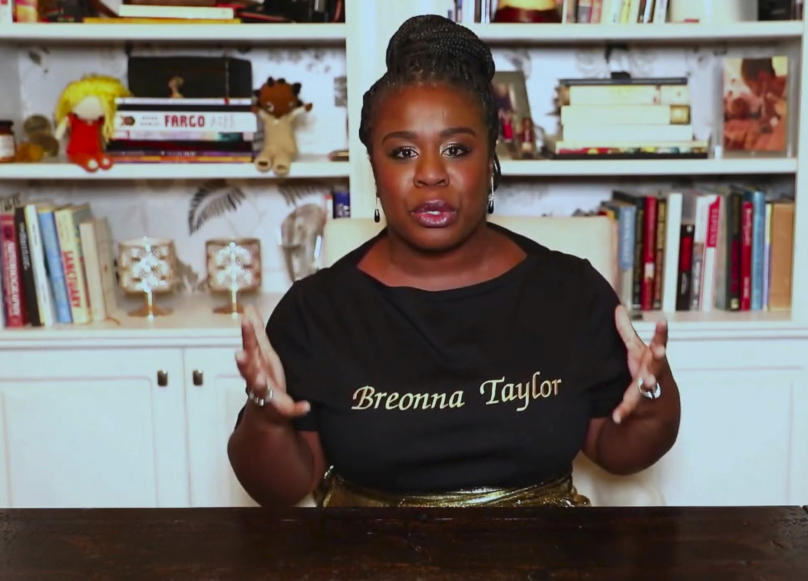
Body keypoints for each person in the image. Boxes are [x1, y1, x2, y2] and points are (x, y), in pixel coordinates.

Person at [228, 14, 680, 508]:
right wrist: (266, 415)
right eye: (402, 152)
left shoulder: (570, 292)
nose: (430, 174)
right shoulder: (318, 310)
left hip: (542, 557)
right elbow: (282, 486)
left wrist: (655, 398)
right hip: (369, 559)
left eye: (456, 149)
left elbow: (618, 451)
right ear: (374, 169)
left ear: (490, 160)